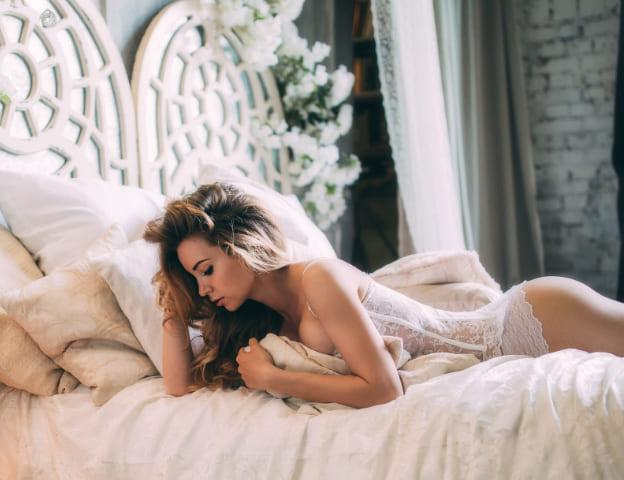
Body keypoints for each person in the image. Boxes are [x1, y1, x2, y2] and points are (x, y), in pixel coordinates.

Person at [144, 182, 624, 408]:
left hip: (528, 322)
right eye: (194, 280)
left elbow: (383, 388)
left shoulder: (318, 279)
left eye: (205, 271)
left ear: (241, 246)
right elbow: (178, 386)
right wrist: (173, 297)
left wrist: (276, 380)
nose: (204, 288)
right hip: (510, 352)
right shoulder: (263, 321)